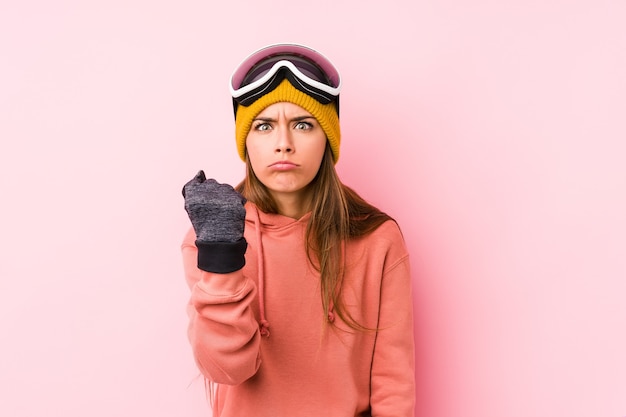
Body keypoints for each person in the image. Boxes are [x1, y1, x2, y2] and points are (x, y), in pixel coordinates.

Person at [181, 43, 415, 417]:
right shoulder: (212, 236)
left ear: (328, 138)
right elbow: (224, 368)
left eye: (303, 125)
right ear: (246, 141)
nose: (283, 144)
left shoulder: (376, 239)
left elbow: (393, 385)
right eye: (264, 126)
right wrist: (221, 254)